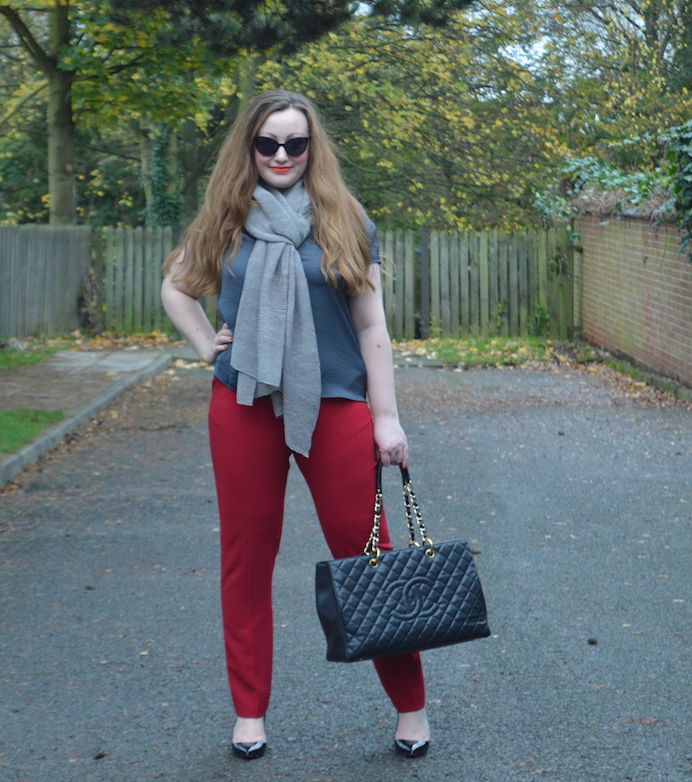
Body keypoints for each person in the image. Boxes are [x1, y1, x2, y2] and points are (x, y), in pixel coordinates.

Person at [160, 90, 430, 761]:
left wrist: (387, 418)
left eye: (295, 144)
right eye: (268, 144)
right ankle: (249, 713)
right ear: (248, 148)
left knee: (369, 555)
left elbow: (372, 326)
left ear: (313, 149)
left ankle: (411, 706)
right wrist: (204, 345)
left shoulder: (344, 219)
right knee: (245, 560)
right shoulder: (226, 217)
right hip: (244, 403)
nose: (281, 156)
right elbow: (175, 285)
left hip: (335, 403)